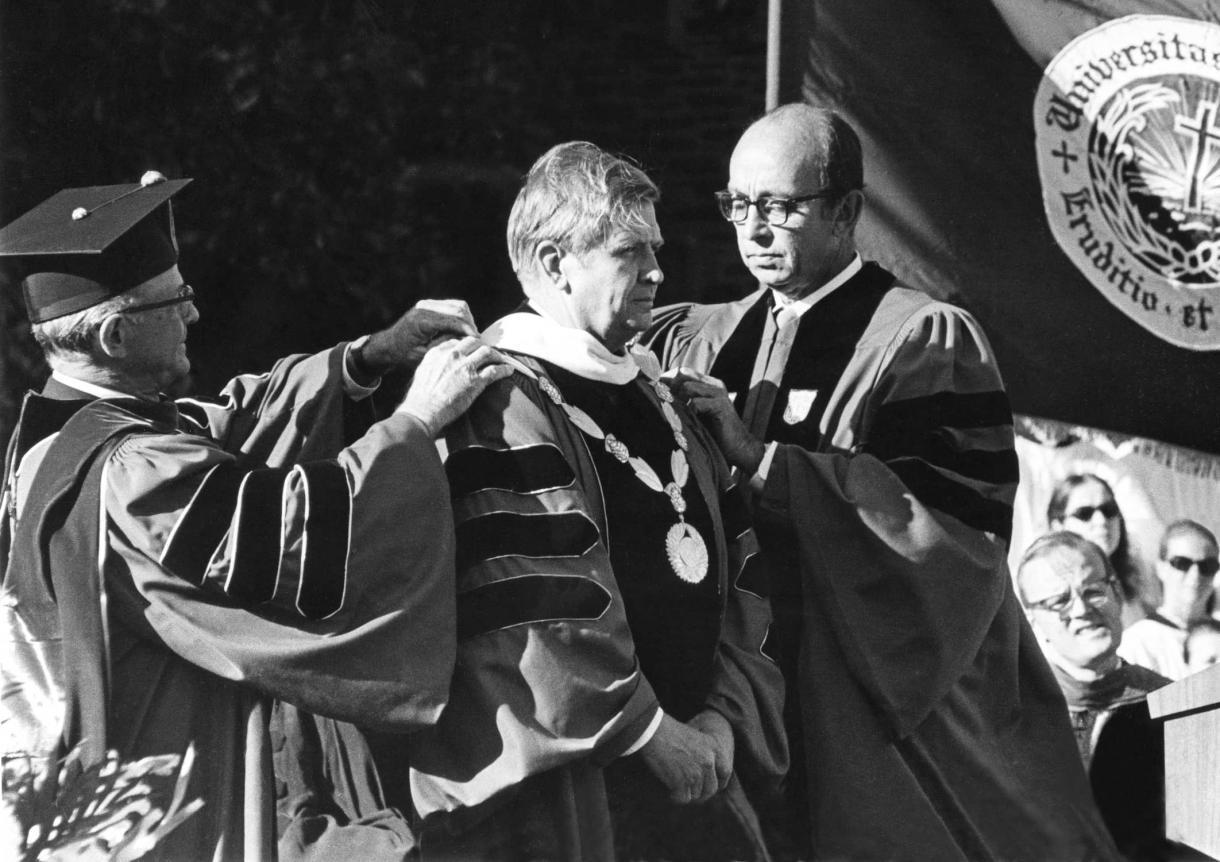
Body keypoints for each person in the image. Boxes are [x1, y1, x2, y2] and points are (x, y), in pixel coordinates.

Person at [645, 103, 1117, 861]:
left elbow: (946, 537)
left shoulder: (923, 338)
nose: (754, 229)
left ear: (847, 212)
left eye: (781, 207)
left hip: (854, 693)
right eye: (738, 204)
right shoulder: (704, 337)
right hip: (728, 686)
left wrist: (764, 464)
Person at [0, 173, 511, 860]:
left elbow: (237, 421)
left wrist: (370, 358)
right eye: (175, 300)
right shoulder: (132, 474)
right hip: (161, 798)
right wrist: (417, 422)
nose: (194, 316)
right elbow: (293, 533)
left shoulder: (60, 439)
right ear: (117, 335)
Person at [395, 142, 786, 861]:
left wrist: (726, 719)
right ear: (553, 263)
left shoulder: (667, 400)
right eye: (630, 253)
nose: (657, 272)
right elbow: (533, 606)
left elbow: (739, 578)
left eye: (656, 249)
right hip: (573, 796)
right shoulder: (499, 398)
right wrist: (649, 732)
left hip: (698, 774)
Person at [1015, 531, 1190, 861]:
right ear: (1032, 621)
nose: (1081, 609)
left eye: (1093, 591)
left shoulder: (1172, 706)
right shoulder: (1012, 714)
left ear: (1118, 592)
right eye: (1058, 602)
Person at [1119, 520, 1220, 680]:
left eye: (1207, 565)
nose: (1195, 575)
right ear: (1161, 568)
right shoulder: (1137, 642)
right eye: (1182, 563)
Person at [1048, 473, 1150, 625]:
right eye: (1084, 513)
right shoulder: (1050, 594)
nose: (1101, 521)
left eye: (1108, 509)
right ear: (1058, 526)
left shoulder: (1134, 587)